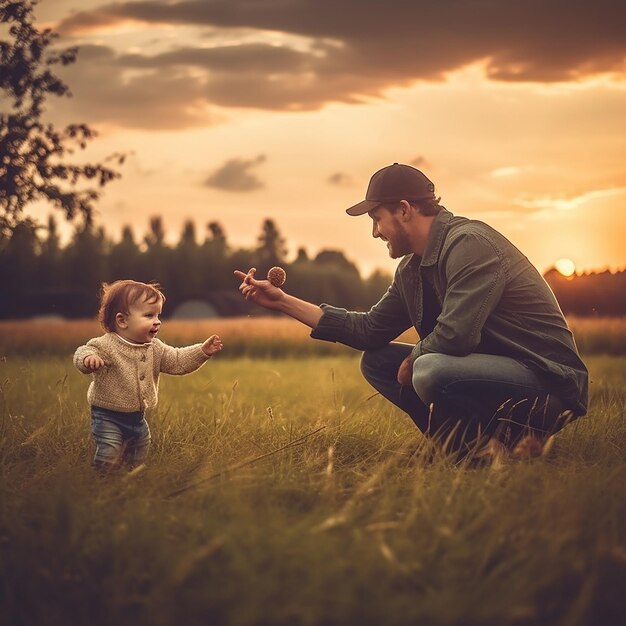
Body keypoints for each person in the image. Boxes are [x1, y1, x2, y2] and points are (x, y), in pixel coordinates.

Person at [235, 163, 588, 459]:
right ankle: (467, 453)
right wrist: (282, 301)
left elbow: (457, 334)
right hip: (493, 374)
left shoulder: (469, 244)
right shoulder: (411, 271)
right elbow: (369, 330)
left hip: (546, 384)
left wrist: (414, 358)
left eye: (377, 219)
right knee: (376, 361)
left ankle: (505, 439)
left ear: (404, 210)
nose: (375, 232)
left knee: (429, 367)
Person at [73, 279, 223, 471]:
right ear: (122, 320)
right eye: (149, 315)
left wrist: (202, 351)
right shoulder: (106, 345)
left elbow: (177, 361)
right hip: (107, 415)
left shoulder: (155, 348)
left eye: (158, 315)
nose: (157, 321)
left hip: (137, 418)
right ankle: (102, 482)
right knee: (109, 452)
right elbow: (82, 351)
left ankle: (130, 481)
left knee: (138, 454)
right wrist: (89, 359)